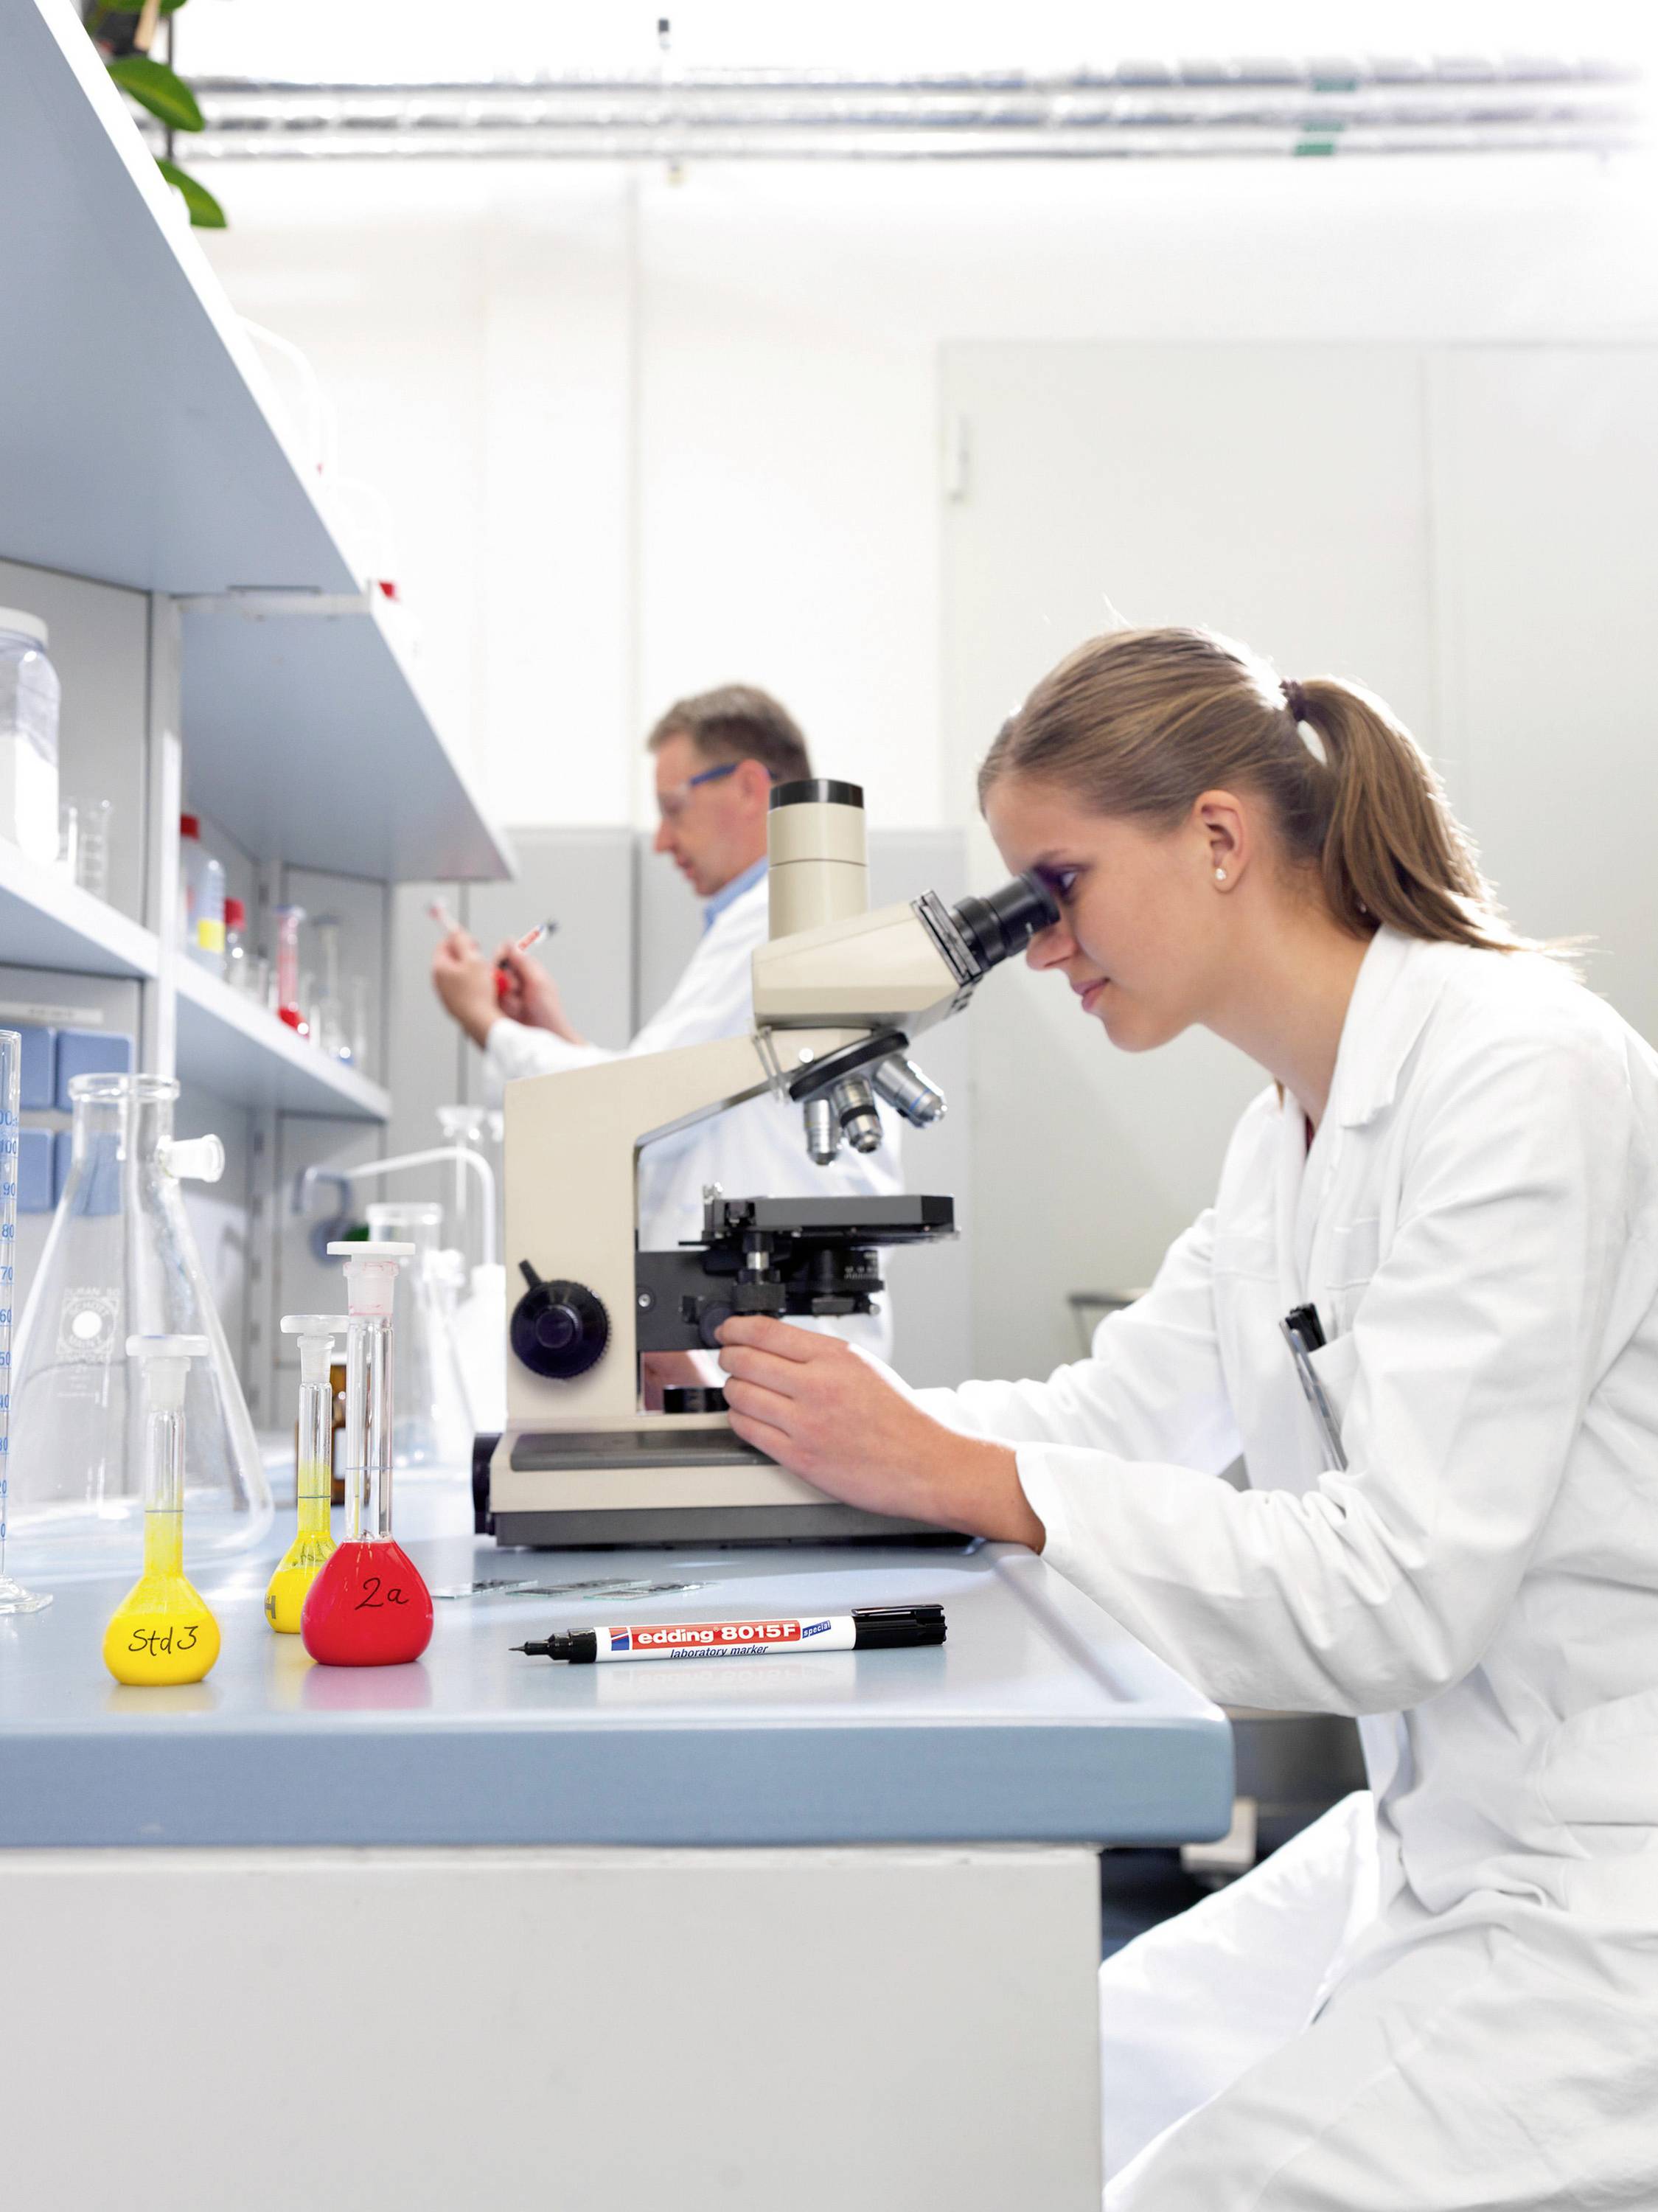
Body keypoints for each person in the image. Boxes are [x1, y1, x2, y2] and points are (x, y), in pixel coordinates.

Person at [711, 626, 1658, 2208]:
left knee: (1186, 2197)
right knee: (1038, 2091)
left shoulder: (1515, 1074)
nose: (1030, 946)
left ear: (1217, 837)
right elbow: (1108, 1419)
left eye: (1055, 885)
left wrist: (959, 1471)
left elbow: (1395, 1590)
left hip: (1599, 1869)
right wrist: (817, 1432)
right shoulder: (1271, 1139)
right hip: (1431, 1836)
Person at [431, 684, 900, 1358]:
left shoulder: (778, 921)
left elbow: (648, 1098)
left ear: (747, 786)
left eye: (673, 807)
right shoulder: (764, 922)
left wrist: (485, 1023)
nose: (659, 840)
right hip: (766, 1337)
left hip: (784, 1340)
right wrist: (552, 1031)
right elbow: (676, 1096)